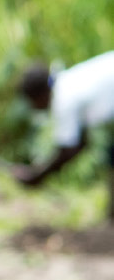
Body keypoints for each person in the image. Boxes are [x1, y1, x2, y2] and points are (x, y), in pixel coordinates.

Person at [15, 53, 114, 219]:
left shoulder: (64, 100)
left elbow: (68, 150)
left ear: (40, 95)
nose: (34, 108)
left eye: (32, 102)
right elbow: (81, 143)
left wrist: (37, 176)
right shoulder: (68, 83)